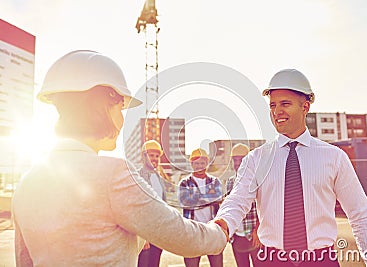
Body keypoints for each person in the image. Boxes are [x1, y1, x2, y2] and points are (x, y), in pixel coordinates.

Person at [12, 50, 228, 267]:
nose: (122, 118)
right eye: (120, 106)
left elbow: (24, 261)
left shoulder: (26, 184)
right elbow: (180, 236)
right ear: (104, 103)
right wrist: (219, 231)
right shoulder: (113, 175)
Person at [214, 69, 367, 266]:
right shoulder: (256, 159)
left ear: (305, 106)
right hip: (271, 260)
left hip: (321, 261)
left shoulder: (334, 157)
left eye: (285, 104)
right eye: (273, 105)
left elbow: (360, 215)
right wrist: (222, 223)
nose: (277, 111)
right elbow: (237, 200)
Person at [178, 148, 224, 267]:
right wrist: (209, 197)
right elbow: (185, 201)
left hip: (212, 230)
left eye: (202, 163)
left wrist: (196, 197)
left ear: (207, 164)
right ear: (192, 164)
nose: (200, 166)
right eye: (196, 163)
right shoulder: (184, 183)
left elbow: (218, 197)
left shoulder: (215, 181)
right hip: (192, 231)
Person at [226, 143, 262, 267]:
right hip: (237, 236)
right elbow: (230, 208)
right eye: (235, 160)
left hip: (254, 235)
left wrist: (257, 230)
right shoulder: (230, 181)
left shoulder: (258, 180)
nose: (237, 163)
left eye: (241, 159)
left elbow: (263, 208)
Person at [137, 140, 168, 267]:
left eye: (157, 156)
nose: (154, 159)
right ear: (144, 156)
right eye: (151, 155)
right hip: (145, 233)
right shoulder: (138, 176)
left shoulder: (159, 177)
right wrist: (143, 237)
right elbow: (138, 208)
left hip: (158, 232)